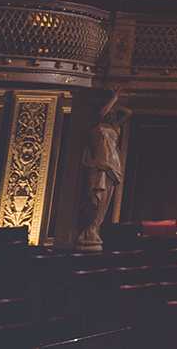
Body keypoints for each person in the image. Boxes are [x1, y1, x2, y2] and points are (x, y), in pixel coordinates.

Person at [75, 90, 128, 250]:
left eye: (112, 113)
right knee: (95, 199)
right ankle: (88, 232)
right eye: (108, 112)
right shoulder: (95, 125)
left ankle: (94, 229)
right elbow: (100, 114)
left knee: (105, 200)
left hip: (112, 164)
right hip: (100, 165)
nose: (110, 114)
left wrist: (115, 104)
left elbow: (128, 112)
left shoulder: (114, 127)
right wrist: (114, 99)